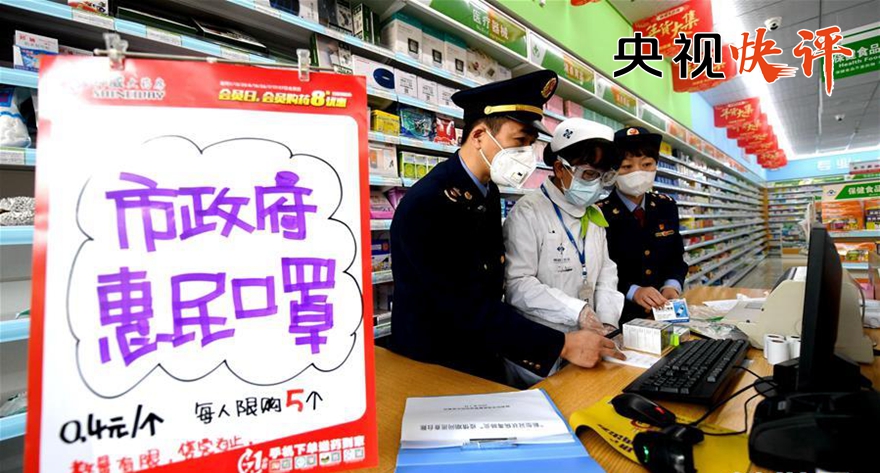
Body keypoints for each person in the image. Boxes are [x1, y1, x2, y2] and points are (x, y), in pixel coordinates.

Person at [390, 70, 622, 386]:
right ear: (478, 135)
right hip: (432, 362)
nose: (527, 154)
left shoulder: (487, 190)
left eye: (531, 143)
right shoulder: (431, 202)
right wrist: (561, 344)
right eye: (519, 141)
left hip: (476, 351)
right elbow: (463, 305)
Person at [503, 118, 625, 385]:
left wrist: (607, 321)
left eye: (604, 176)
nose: (597, 185)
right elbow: (518, 284)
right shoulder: (529, 212)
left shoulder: (593, 215)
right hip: (542, 353)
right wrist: (577, 311)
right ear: (560, 168)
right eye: (589, 175)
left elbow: (606, 273)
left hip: (589, 347)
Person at [597, 126, 688, 325]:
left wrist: (672, 286)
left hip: (663, 310)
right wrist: (633, 291)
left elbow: (676, 258)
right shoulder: (599, 213)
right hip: (620, 315)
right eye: (626, 167)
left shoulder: (666, 206)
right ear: (611, 171)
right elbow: (597, 271)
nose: (637, 172)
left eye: (647, 164)